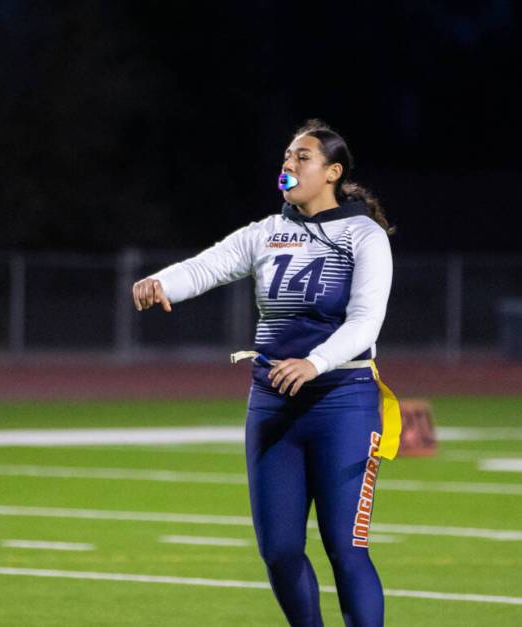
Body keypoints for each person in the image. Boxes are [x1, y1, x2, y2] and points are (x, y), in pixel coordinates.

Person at [133, 119, 397, 627]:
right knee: (278, 550)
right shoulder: (266, 232)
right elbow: (207, 265)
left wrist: (316, 361)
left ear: (332, 172)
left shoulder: (363, 235)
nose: (288, 164)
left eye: (302, 157)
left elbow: (366, 321)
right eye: (286, 156)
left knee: (346, 548)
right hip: (273, 402)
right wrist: (159, 281)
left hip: (343, 402)